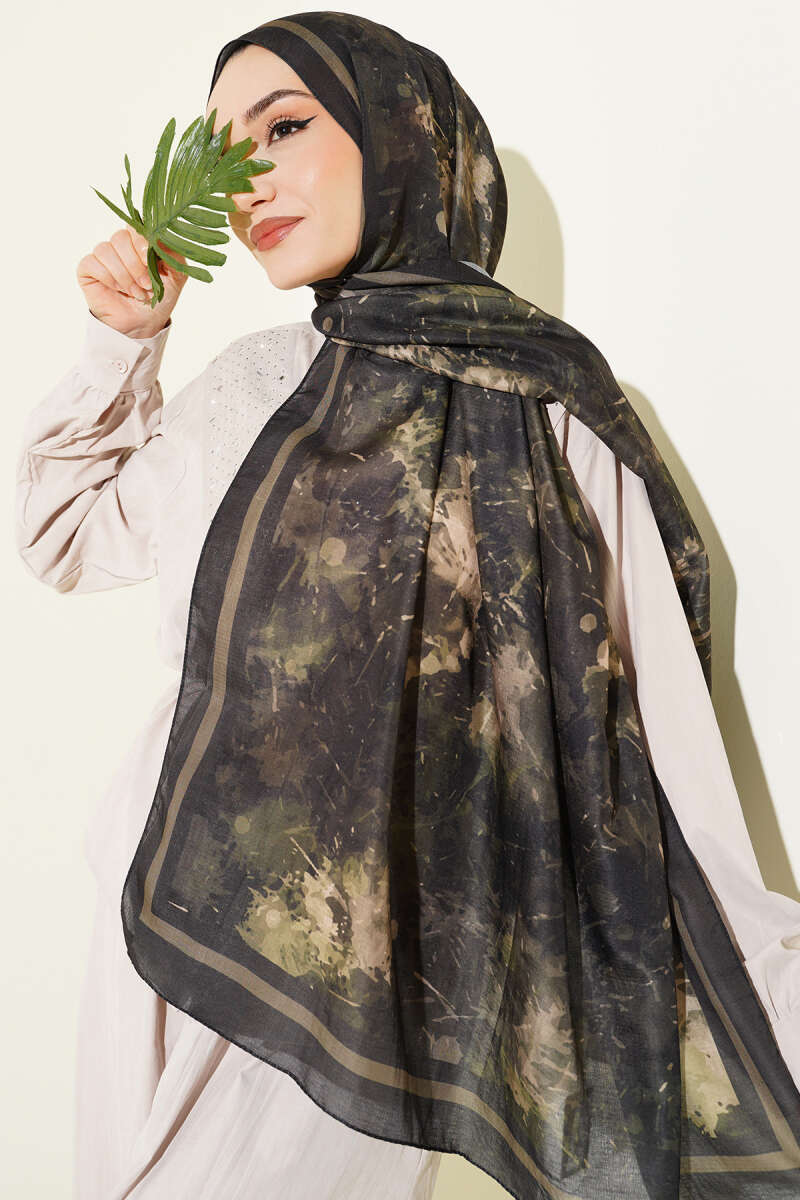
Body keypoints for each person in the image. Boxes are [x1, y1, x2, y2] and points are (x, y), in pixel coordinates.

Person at [15, 12, 800, 1200]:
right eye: (220, 149)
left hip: (350, 969)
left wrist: (757, 968)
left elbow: (647, 753)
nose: (244, 180)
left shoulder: (539, 403)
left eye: (284, 127)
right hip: (159, 909)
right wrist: (121, 344)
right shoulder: (256, 383)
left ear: (399, 135)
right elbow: (63, 537)